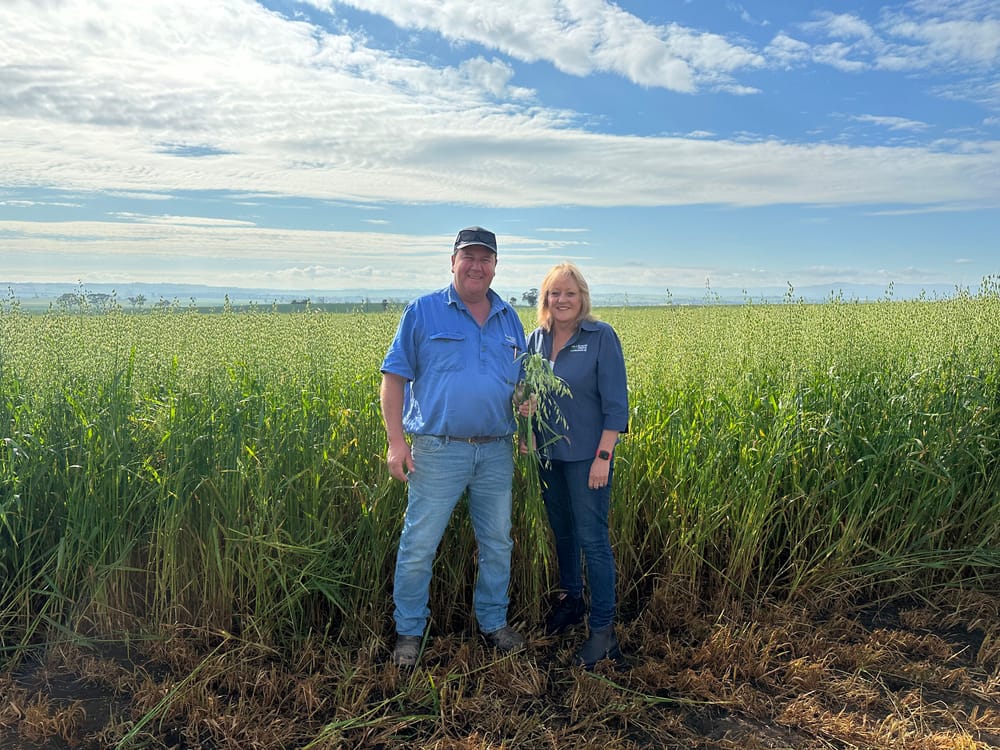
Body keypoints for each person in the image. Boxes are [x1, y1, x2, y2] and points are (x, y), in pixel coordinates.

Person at [380, 226, 529, 668]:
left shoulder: (509, 318)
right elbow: (393, 379)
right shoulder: (423, 312)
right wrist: (395, 442)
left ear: (496, 266)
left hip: (497, 450)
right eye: (469, 257)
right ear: (452, 261)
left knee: (498, 542)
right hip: (438, 450)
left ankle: (493, 624)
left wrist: (527, 414)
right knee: (420, 543)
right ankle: (409, 632)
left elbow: (521, 385)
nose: (477, 266)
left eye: (486, 259)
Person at [523, 262, 629, 669]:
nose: (561, 300)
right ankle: (571, 601)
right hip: (549, 458)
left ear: (582, 297)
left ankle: (603, 632)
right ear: (544, 299)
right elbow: (525, 391)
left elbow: (616, 406)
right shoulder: (536, 339)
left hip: (588, 460)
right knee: (562, 534)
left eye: (569, 293)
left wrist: (604, 457)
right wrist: (524, 411)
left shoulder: (600, 337)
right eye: (554, 293)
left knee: (593, 541)